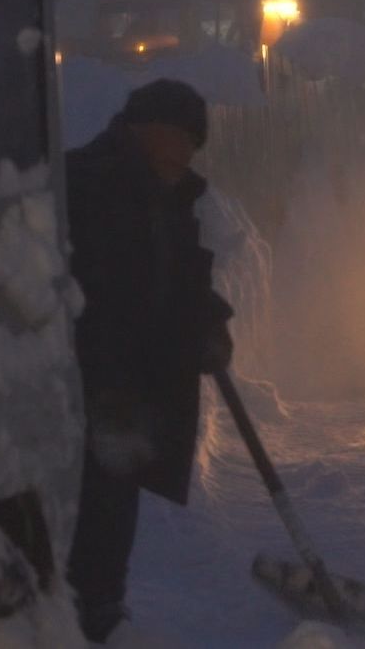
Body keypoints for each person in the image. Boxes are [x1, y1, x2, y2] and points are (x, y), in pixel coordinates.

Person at [63, 79, 234, 644]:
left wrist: (207, 322)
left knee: (120, 487)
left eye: (192, 145)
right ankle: (90, 610)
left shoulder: (165, 191)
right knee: (99, 493)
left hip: (135, 373)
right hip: (100, 373)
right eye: (182, 138)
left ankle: (103, 603)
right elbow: (111, 287)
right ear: (147, 128)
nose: (187, 153)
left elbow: (180, 272)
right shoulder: (94, 183)